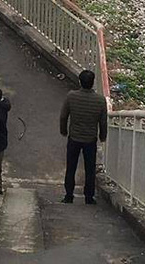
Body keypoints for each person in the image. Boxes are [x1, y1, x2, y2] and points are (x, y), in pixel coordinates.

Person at [60, 69, 108, 204]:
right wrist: (102, 136)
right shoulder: (100, 100)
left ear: (80, 82)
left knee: (71, 167)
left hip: (74, 137)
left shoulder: (71, 96)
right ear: (93, 83)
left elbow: (64, 116)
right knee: (90, 169)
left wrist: (63, 130)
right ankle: (89, 196)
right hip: (90, 139)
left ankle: (69, 195)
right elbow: (103, 121)